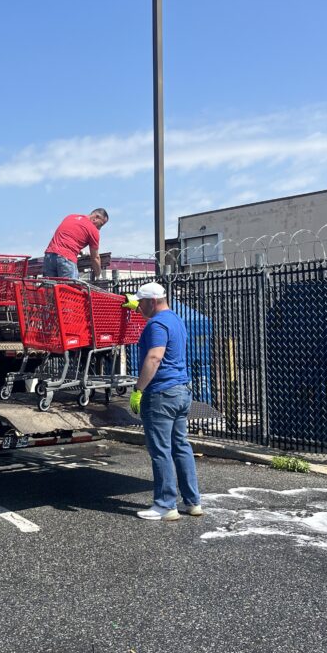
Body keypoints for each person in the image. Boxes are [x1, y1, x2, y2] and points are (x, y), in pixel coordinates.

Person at [125, 282, 202, 522]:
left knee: (160, 451)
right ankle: (193, 502)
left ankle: (165, 505)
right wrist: (133, 304)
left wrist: (138, 389)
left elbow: (155, 356)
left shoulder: (156, 324)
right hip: (181, 392)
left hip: (161, 394)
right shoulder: (176, 320)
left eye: (142, 303)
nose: (139, 308)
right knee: (181, 446)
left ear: (153, 302)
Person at [42, 209, 108, 280]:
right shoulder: (93, 230)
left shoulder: (70, 217)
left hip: (49, 256)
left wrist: (81, 252)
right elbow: (95, 257)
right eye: (101, 224)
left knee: (50, 289)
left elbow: (65, 239)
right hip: (66, 259)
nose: (99, 228)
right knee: (70, 289)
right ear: (96, 217)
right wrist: (98, 275)